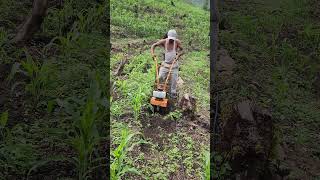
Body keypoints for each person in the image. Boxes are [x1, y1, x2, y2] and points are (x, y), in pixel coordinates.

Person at [150, 29, 184, 98]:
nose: (171, 40)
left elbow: (183, 50)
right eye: (170, 39)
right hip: (165, 64)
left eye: (173, 39)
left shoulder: (177, 42)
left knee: (174, 80)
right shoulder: (164, 41)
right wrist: (153, 54)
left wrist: (178, 55)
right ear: (168, 37)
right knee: (160, 77)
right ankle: (160, 90)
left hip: (174, 65)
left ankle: (172, 95)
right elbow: (153, 45)